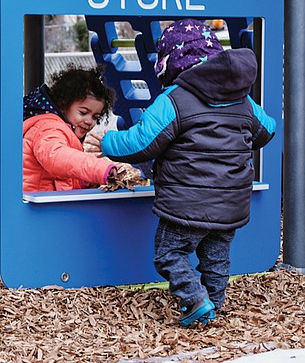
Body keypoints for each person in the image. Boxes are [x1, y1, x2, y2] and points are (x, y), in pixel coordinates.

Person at [93, 18, 276, 327]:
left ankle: (196, 300)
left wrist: (107, 142)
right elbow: (267, 129)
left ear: (170, 64)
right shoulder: (243, 100)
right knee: (216, 256)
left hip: (188, 202)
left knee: (169, 253)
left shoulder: (175, 99)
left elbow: (142, 143)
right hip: (231, 201)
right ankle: (214, 302)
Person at [0, 64, 118, 229]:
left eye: (95, 117)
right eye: (83, 112)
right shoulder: (49, 128)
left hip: (36, 213)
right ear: (64, 104)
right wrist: (98, 169)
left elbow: (63, 174)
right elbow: (56, 158)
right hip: (30, 215)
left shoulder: (63, 131)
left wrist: (86, 181)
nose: (89, 121)